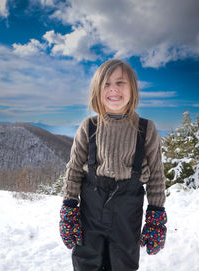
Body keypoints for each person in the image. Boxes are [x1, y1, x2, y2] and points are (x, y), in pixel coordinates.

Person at [59, 59, 167, 271]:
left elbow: (156, 175)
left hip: (128, 213)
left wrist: (156, 216)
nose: (113, 89)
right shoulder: (88, 126)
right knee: (86, 264)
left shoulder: (146, 129)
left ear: (132, 89)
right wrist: (69, 209)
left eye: (120, 82)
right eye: (106, 84)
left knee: (123, 264)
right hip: (90, 211)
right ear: (97, 90)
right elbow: (73, 170)